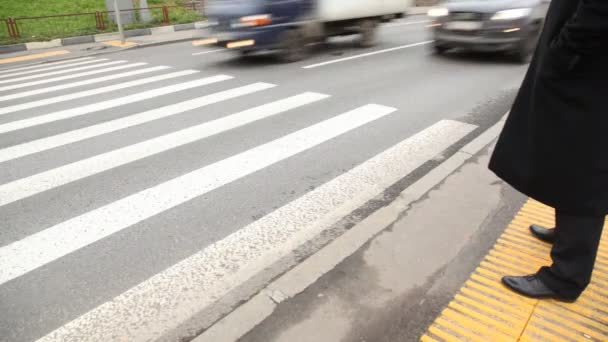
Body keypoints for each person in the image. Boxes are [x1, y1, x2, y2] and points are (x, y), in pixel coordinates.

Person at [489, 0, 608, 302]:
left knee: (584, 167)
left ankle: (566, 277)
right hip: (585, 67)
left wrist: (562, 54)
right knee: (567, 156)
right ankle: (565, 232)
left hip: (586, 68)